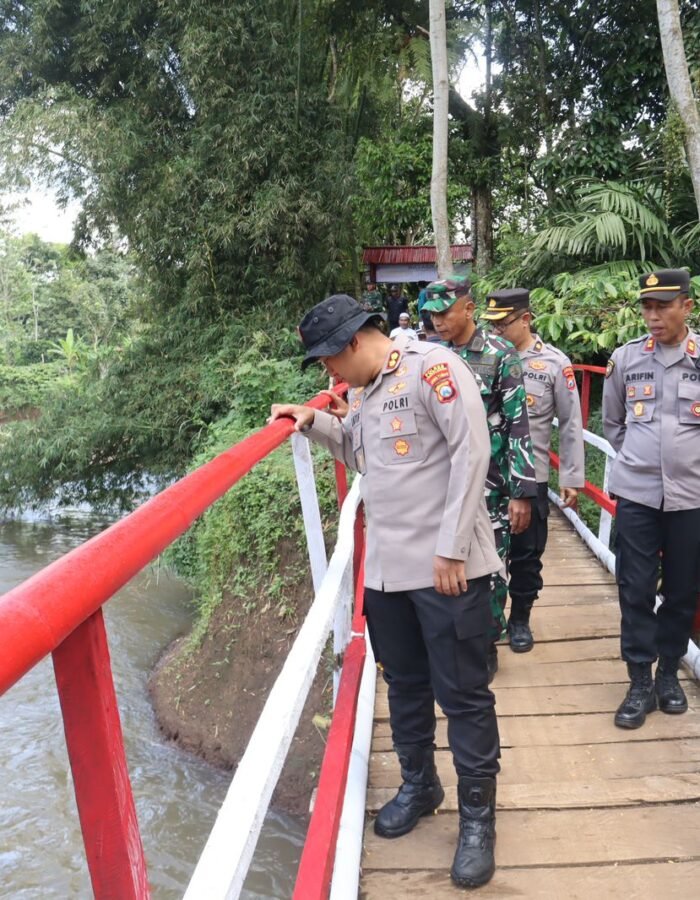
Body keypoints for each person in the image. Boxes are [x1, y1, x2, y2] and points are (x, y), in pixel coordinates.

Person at [269, 294, 501, 888]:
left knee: (463, 694)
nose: (328, 373)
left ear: (352, 342)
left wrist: (452, 546)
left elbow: (472, 451)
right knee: (405, 685)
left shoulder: (432, 368)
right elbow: (361, 453)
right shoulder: (366, 390)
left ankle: (478, 820)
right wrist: (314, 420)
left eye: (328, 360)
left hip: (447, 568)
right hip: (388, 571)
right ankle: (420, 784)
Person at [424, 277, 537, 679]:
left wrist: (522, 491)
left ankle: (487, 643)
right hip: (441, 483)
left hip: (492, 484)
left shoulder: (499, 354)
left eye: (444, 312)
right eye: (431, 314)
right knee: (445, 561)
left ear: (469, 309)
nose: (437, 321)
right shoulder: (429, 356)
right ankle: (455, 641)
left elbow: (518, 423)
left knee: (490, 567)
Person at [602, 269, 700, 729]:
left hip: (692, 497)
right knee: (635, 589)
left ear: (687, 306)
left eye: (663, 306)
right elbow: (613, 424)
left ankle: (668, 675)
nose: (653, 316)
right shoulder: (625, 359)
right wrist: (641, 462)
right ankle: (639, 679)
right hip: (637, 495)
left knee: (683, 589)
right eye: (647, 307)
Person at [482, 289, 584, 652]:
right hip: (491, 477)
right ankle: (487, 622)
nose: (495, 331)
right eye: (491, 325)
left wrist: (571, 477)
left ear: (526, 320)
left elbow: (570, 422)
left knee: (526, 556)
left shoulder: (553, 363)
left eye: (502, 324)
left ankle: (520, 619)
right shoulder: (484, 359)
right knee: (487, 554)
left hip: (532, 477)